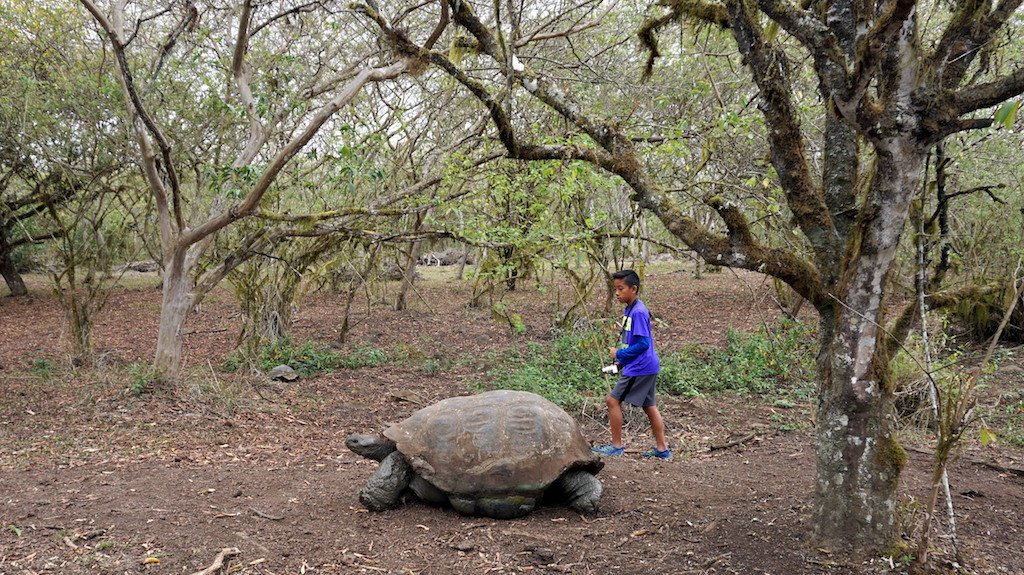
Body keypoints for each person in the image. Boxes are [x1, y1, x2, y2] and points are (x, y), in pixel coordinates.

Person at [592, 270, 671, 459]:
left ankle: (616, 446)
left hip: (641, 367)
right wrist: (620, 363)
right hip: (643, 365)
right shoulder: (630, 308)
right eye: (615, 289)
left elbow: (644, 344)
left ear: (633, 289)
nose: (617, 293)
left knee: (612, 401)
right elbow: (634, 343)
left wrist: (618, 353)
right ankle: (662, 450)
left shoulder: (638, 312)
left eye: (621, 289)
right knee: (649, 406)